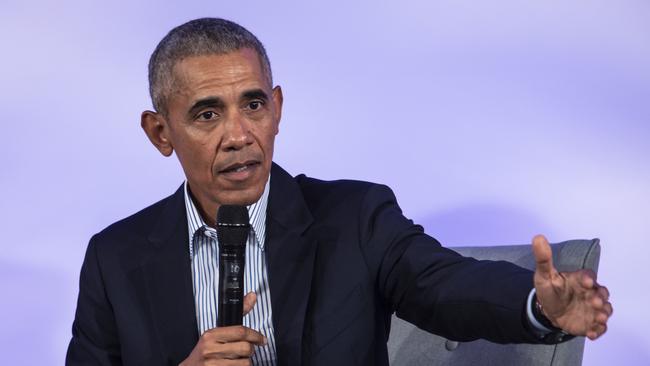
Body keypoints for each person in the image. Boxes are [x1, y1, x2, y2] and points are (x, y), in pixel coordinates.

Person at [66, 18, 612, 366]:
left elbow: (446, 285)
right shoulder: (116, 258)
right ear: (161, 133)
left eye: (253, 105)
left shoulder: (355, 217)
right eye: (208, 114)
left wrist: (537, 306)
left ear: (276, 109)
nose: (238, 135)